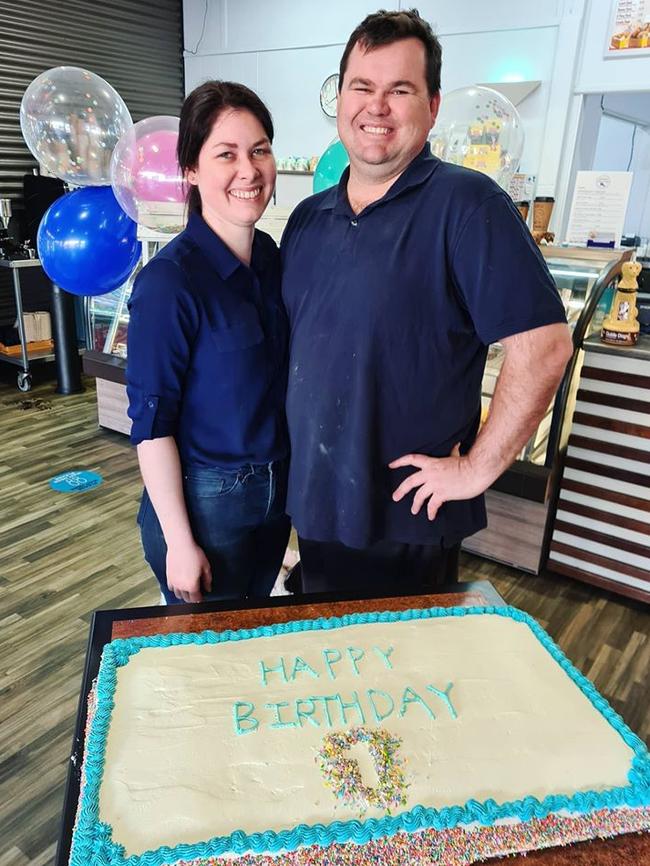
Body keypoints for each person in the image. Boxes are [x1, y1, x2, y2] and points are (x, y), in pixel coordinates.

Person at [281, 9, 573, 594]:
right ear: (339, 97)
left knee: (395, 681)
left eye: (400, 90)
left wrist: (476, 469)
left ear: (433, 106)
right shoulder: (308, 219)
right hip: (316, 506)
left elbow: (545, 348)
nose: (376, 106)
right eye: (362, 87)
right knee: (322, 671)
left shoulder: (468, 207)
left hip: (407, 521)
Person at [126, 81, 290, 604]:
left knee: (249, 639)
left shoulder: (269, 257)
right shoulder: (169, 282)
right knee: (207, 662)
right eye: (226, 154)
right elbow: (151, 426)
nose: (249, 170)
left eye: (259, 149)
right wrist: (179, 542)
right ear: (192, 171)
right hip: (205, 505)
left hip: (273, 498)